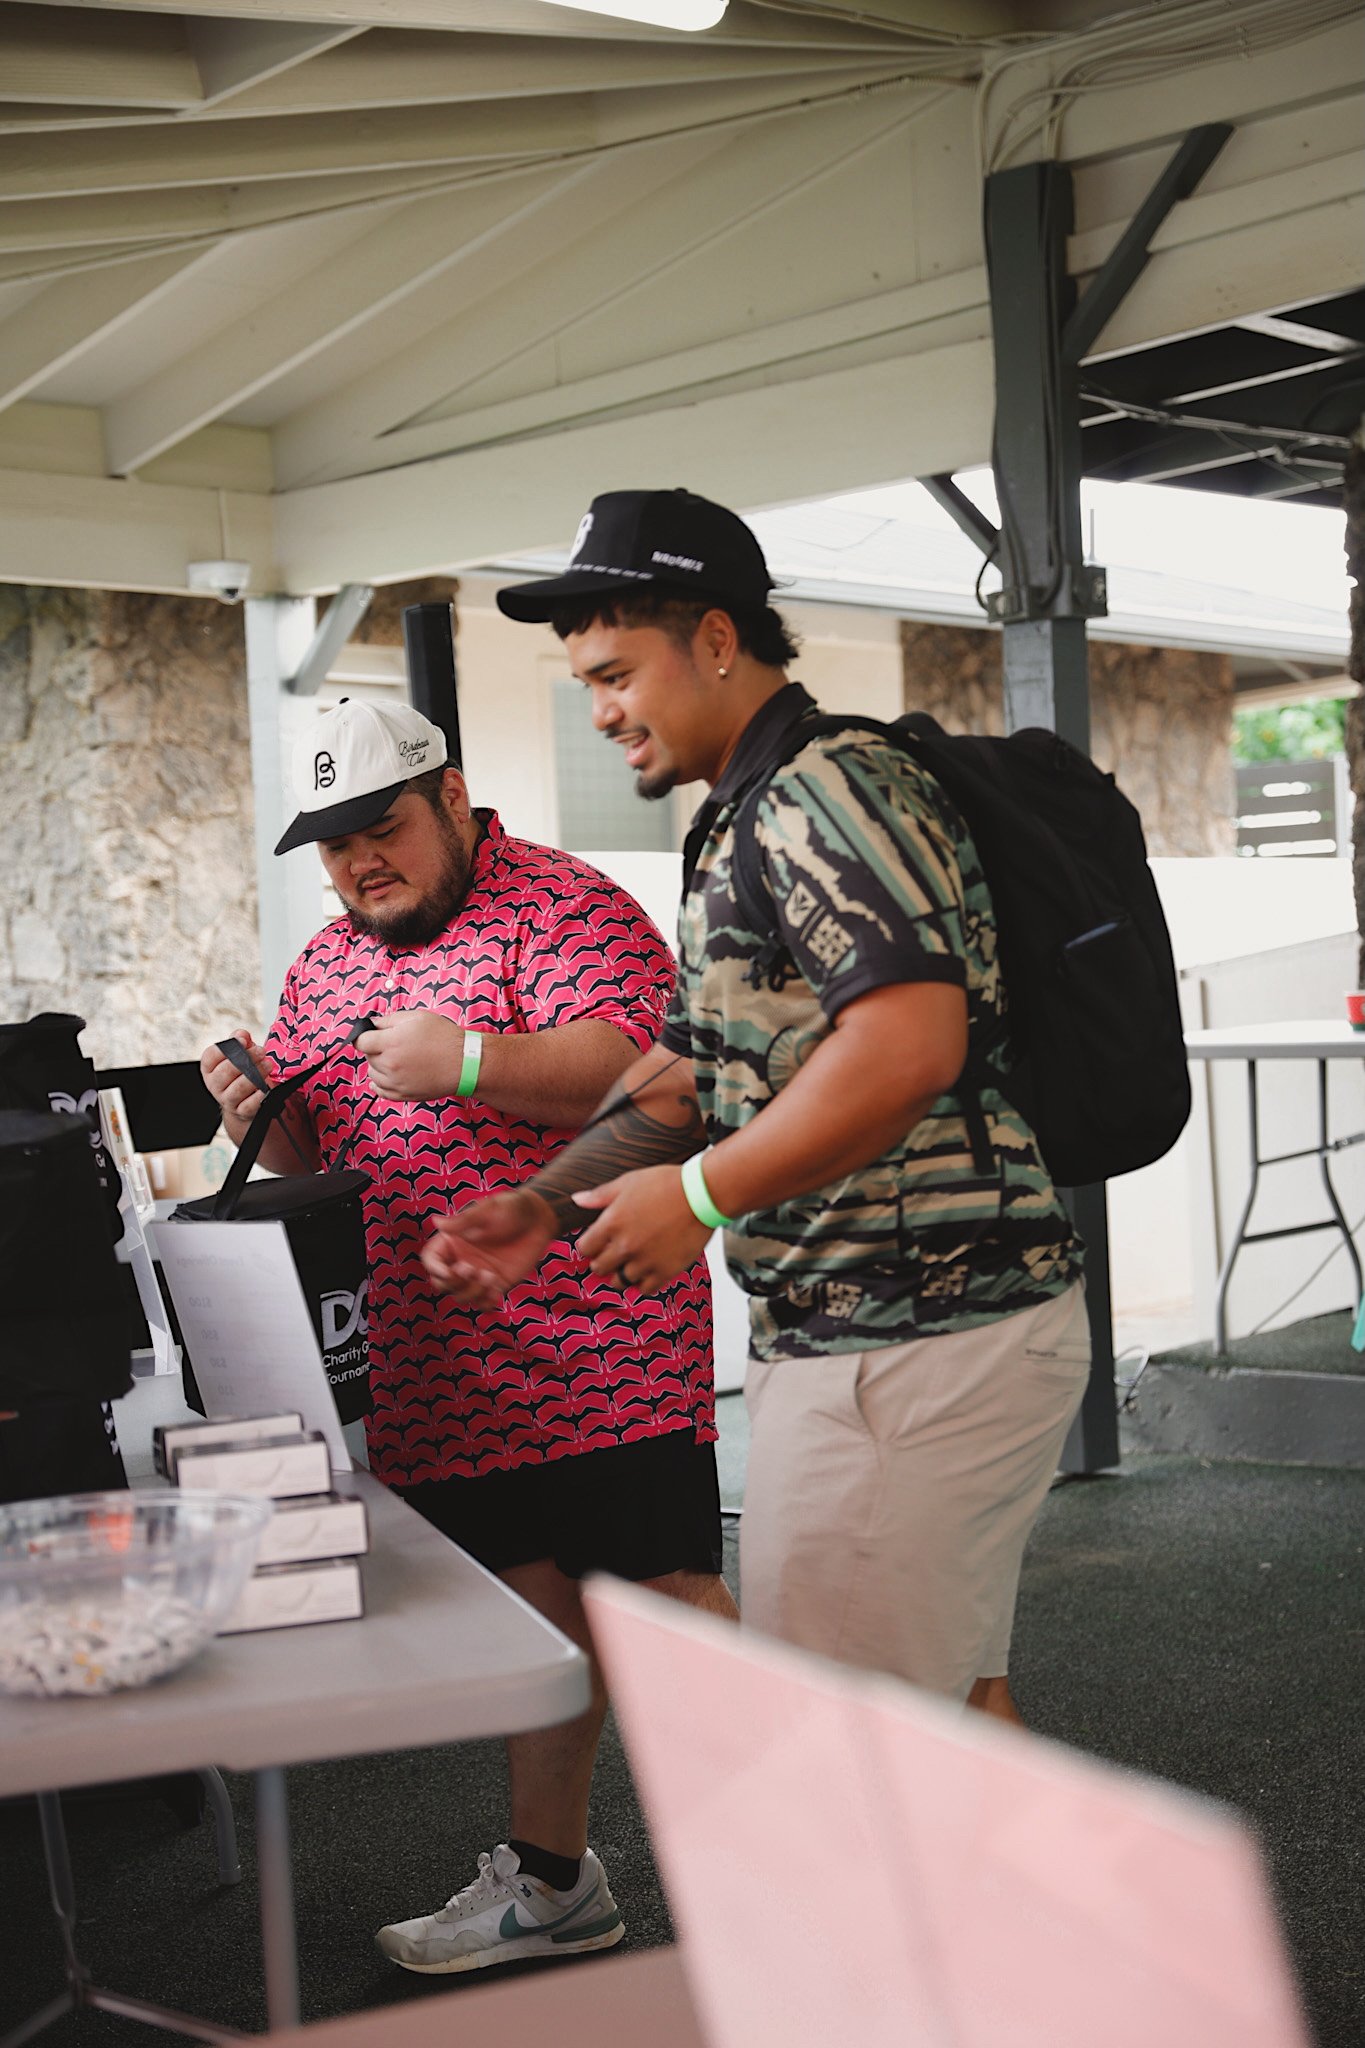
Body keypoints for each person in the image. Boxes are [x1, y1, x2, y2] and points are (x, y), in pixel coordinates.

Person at [423, 487, 1090, 1724]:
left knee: (847, 1742)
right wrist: (542, 1205)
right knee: (949, 1716)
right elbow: (688, 1070)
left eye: (617, 673)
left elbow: (907, 1041)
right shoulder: (742, 816)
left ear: (718, 640)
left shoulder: (823, 791)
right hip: (882, 1335)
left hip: (913, 1332)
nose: (601, 710)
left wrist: (698, 1195)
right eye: (585, 684)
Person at [201, 694, 734, 1976]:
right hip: (440, 1365)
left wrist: (475, 1061)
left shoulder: (563, 904)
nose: (360, 864)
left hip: (601, 1344)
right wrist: (254, 1118)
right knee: (536, 1621)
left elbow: (648, 1070)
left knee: (663, 1601)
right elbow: (321, 1153)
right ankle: (552, 1883)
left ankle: (801, 1859)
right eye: (335, 847)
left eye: (381, 829)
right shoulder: (325, 963)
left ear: (449, 796)